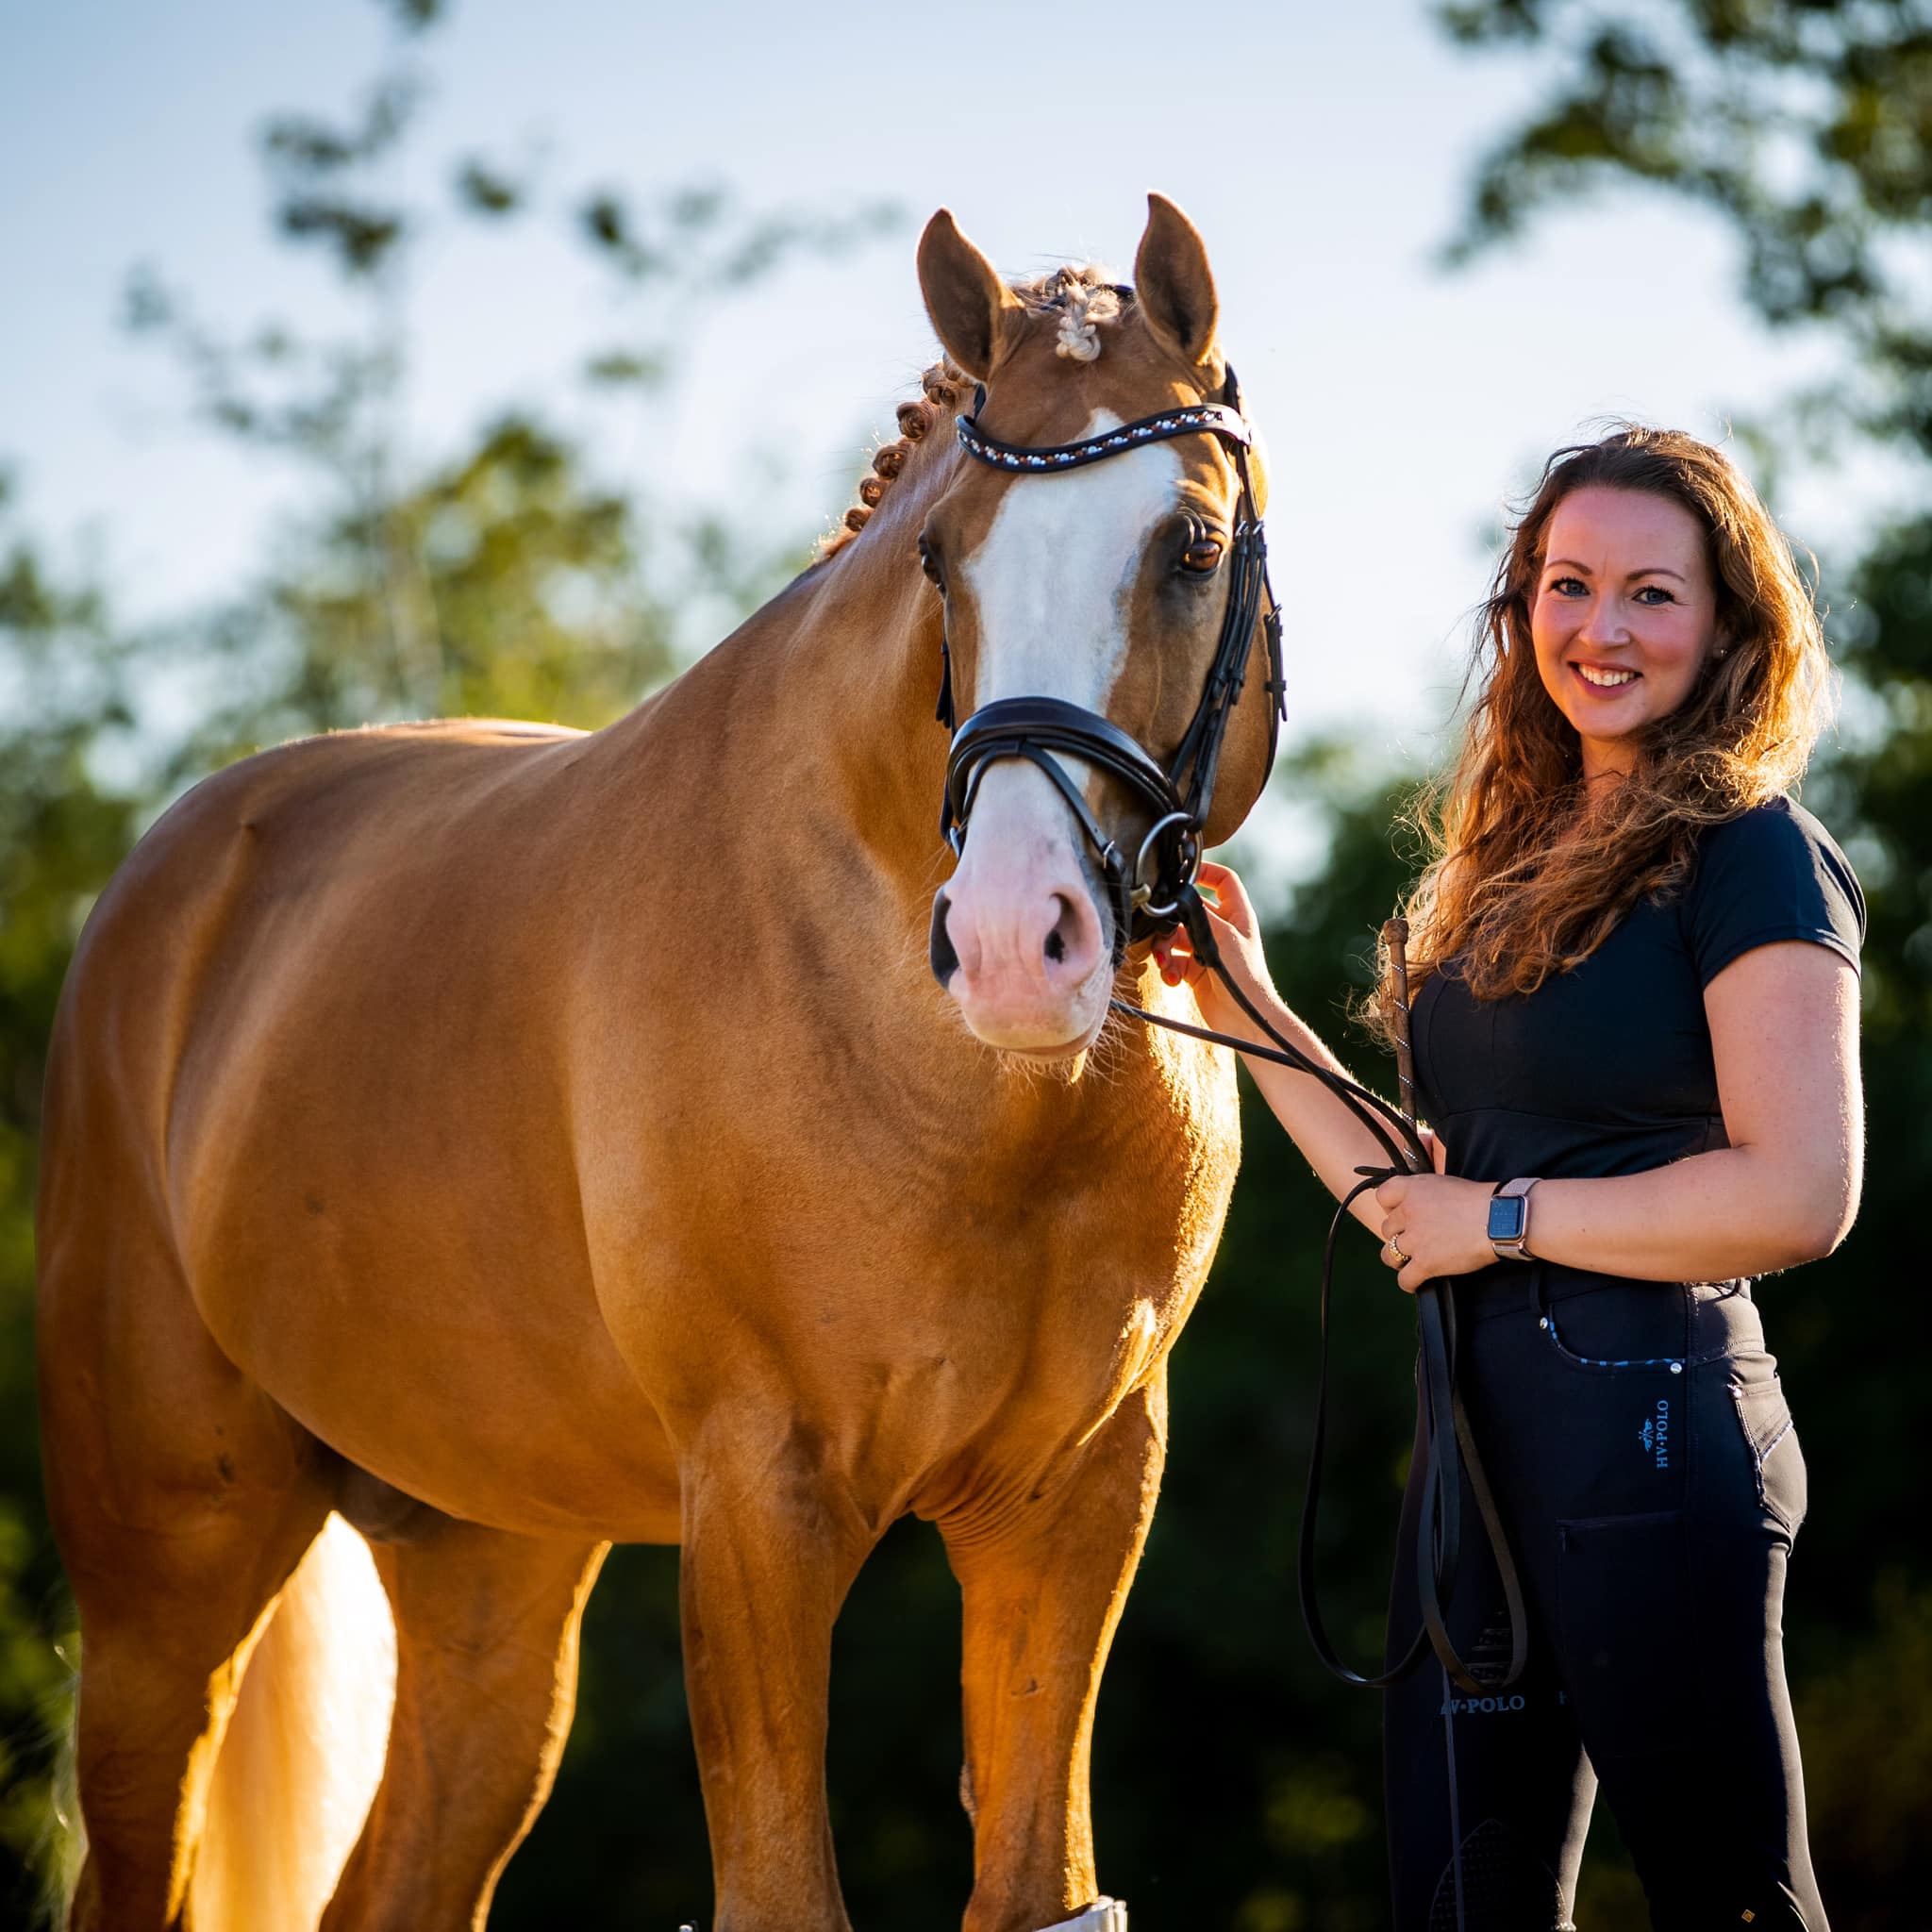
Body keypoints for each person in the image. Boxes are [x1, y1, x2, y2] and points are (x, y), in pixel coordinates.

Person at [1155, 426, 1861, 1930]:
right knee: (1459, 1907)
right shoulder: (1509, 865)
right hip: (1468, 1467)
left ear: (1729, 624)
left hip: (1656, 1439)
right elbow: (1419, 1200)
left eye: (1653, 595)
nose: (1603, 630)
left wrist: (1508, 1222)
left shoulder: (1755, 854)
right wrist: (1242, 1005)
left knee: (1723, 1898)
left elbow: (1801, 1193)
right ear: (1519, 608)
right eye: (1569, 584)